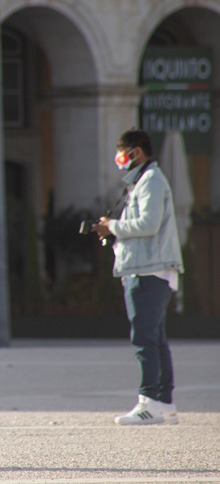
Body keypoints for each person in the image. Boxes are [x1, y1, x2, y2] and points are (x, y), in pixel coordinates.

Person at [92, 129, 183, 425]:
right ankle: (165, 404)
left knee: (143, 337)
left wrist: (113, 227)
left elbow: (148, 223)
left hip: (147, 269)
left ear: (137, 153)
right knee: (155, 338)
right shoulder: (145, 181)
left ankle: (149, 402)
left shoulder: (151, 181)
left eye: (123, 153)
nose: (119, 159)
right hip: (148, 267)